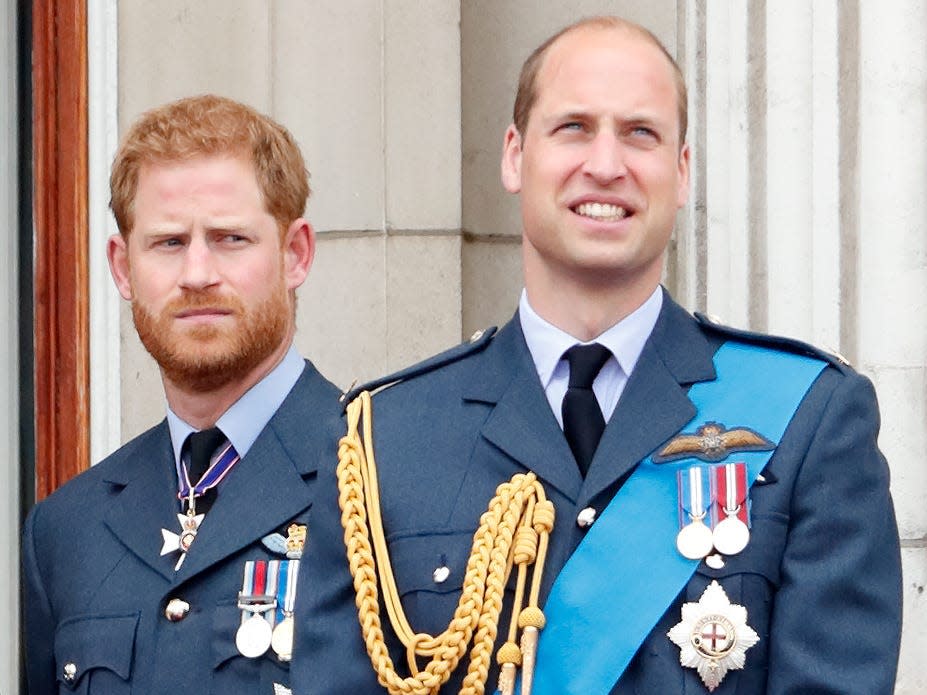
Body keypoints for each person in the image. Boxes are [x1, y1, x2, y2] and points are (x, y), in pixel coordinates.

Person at [297, 16, 902, 695]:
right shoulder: (384, 439)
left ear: (681, 172)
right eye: (573, 128)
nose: (606, 164)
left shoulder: (807, 421)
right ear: (513, 155)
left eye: (640, 133)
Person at [22, 95, 341, 694]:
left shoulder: (378, 482)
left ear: (295, 253)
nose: (197, 274)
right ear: (122, 267)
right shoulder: (66, 532)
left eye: (228, 239)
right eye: (169, 242)